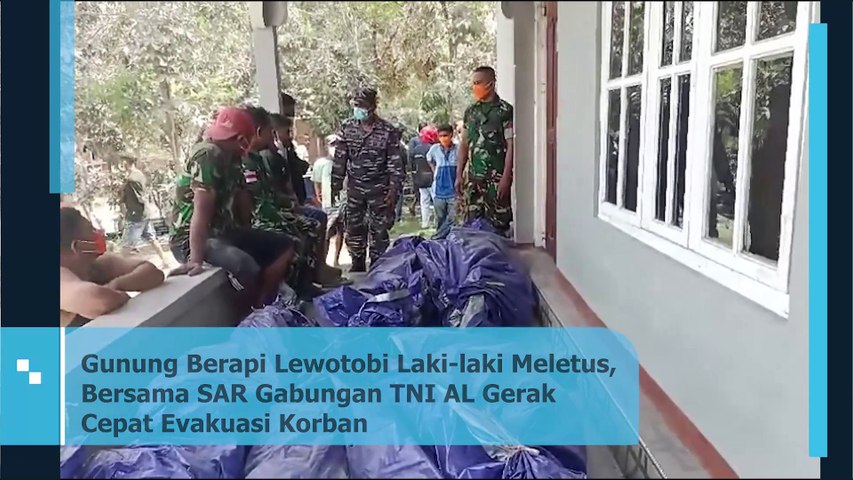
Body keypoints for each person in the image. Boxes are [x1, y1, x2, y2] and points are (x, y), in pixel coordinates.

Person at [169, 107, 297, 308]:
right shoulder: (207, 155)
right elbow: (201, 211)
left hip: (224, 231)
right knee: (244, 265)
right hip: (193, 237)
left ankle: (264, 307)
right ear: (240, 139)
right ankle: (251, 315)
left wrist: (248, 234)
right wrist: (195, 258)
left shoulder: (235, 158)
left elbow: (241, 200)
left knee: (284, 246)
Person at [242, 106, 342, 291]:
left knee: (311, 224)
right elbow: (259, 201)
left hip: (274, 211)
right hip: (262, 218)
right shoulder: (249, 161)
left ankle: (311, 277)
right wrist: (289, 210)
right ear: (259, 131)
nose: (275, 137)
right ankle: (298, 286)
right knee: (300, 233)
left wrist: (290, 207)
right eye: (270, 133)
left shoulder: (257, 158)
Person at [332, 86, 404, 272]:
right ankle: (357, 262)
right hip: (355, 188)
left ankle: (377, 265)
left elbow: (395, 164)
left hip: (379, 189)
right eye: (356, 105)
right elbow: (340, 159)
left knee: (379, 230)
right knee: (354, 226)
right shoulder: (347, 128)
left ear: (373, 105)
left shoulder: (388, 131)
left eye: (362, 105)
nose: (359, 109)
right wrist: (336, 184)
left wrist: (394, 191)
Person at [60, 207, 165, 327]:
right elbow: (98, 300)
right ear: (78, 246)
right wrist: (117, 293)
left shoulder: (99, 263)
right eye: (92, 230)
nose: (99, 233)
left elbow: (153, 273)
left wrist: (117, 285)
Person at [456, 66, 515, 237]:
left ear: (490, 84)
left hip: (495, 181)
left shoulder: (505, 111)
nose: (475, 86)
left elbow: (511, 145)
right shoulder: (471, 112)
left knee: (498, 227)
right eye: (473, 83)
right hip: (474, 181)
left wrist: (506, 177)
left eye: (478, 82)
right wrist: (459, 174)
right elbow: (464, 145)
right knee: (472, 227)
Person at [119, 156, 169, 266]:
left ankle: (122, 270)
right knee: (152, 239)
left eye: (123, 161)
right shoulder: (139, 174)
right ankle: (165, 261)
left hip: (136, 215)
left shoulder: (131, 179)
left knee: (125, 248)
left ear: (127, 162)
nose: (121, 164)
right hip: (144, 213)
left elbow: (139, 197)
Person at [427, 124, 459, 232]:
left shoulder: (458, 149)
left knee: (453, 219)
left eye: (445, 135)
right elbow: (429, 159)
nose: (443, 138)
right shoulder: (434, 149)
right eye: (440, 136)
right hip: (438, 191)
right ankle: (440, 241)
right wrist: (435, 170)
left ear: (451, 135)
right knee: (440, 219)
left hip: (453, 191)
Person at [411, 126, 438, 228]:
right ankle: (436, 222)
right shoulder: (433, 148)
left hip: (420, 178)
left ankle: (425, 223)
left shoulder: (416, 149)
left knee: (424, 201)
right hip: (432, 178)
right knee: (435, 200)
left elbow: (412, 164)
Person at [312, 135, 336, 209]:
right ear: (326, 147)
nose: (336, 147)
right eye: (332, 145)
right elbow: (317, 183)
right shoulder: (320, 163)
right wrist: (319, 196)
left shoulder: (349, 162)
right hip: (329, 205)